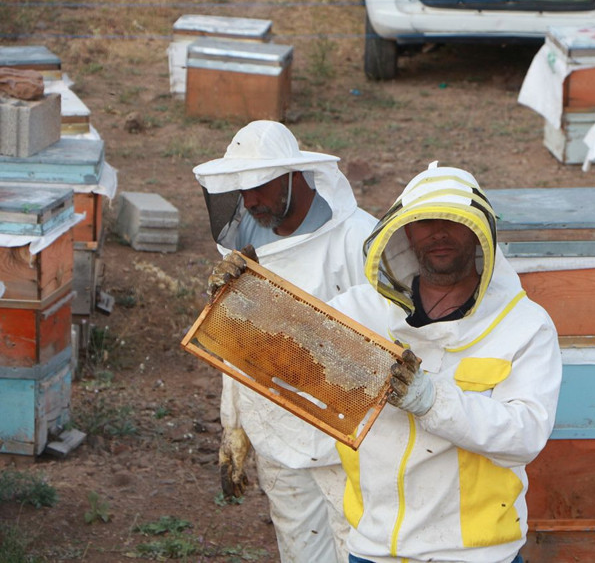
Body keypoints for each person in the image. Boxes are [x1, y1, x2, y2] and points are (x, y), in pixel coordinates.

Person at [327, 162, 562, 563]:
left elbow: (526, 435)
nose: (438, 232)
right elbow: (286, 352)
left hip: (475, 554)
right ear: (404, 231)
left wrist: (433, 401)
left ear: (480, 234)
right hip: (375, 545)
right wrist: (242, 298)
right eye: (425, 221)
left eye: (453, 221)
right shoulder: (360, 310)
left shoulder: (524, 326)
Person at [193, 120, 377, 563]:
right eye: (241, 189)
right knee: (301, 554)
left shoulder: (357, 239)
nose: (250, 200)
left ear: (296, 176)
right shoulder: (243, 247)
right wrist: (233, 427)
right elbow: (237, 345)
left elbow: (387, 341)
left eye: (260, 186)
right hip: (275, 435)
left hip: (347, 443)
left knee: (360, 549)